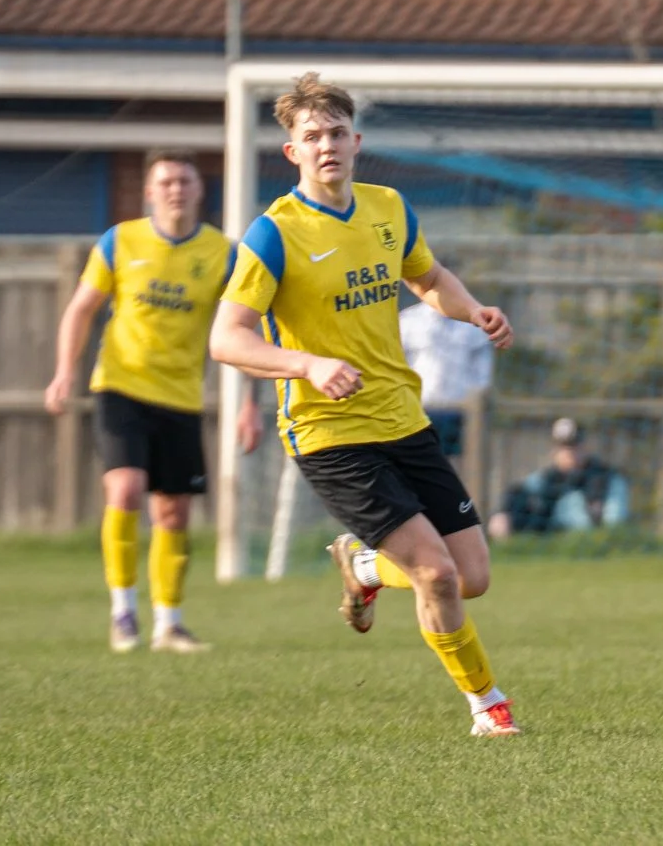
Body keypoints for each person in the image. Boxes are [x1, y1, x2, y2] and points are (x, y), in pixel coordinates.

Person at [207, 73, 523, 737]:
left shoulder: (388, 207)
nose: (326, 145)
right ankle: (487, 705)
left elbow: (427, 278)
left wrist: (472, 309)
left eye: (335, 133)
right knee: (435, 573)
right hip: (329, 434)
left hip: (403, 417)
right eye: (311, 136)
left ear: (356, 142)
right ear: (292, 152)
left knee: (472, 575)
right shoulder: (274, 233)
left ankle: (365, 565)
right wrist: (308, 364)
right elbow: (226, 338)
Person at [44, 151, 259, 655]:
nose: (175, 190)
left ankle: (169, 623)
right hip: (120, 388)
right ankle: (123, 613)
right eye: (165, 182)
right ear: (148, 192)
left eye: (184, 181)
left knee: (174, 513)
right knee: (124, 490)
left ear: (199, 190)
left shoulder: (223, 254)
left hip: (181, 397)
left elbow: (243, 326)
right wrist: (64, 371)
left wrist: (249, 401)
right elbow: (81, 309)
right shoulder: (120, 241)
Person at [487, 417, 630, 538]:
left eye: (574, 446)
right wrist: (502, 513)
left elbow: (614, 522)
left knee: (572, 502)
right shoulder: (545, 479)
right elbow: (516, 494)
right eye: (564, 447)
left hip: (594, 543)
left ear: (585, 446)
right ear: (554, 450)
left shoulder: (606, 478)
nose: (569, 452)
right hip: (551, 544)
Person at [401, 299, 494, 464]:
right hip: (417, 411)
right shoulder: (408, 320)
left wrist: (473, 401)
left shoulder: (473, 323)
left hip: (458, 413)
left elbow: (481, 372)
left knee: (454, 466)